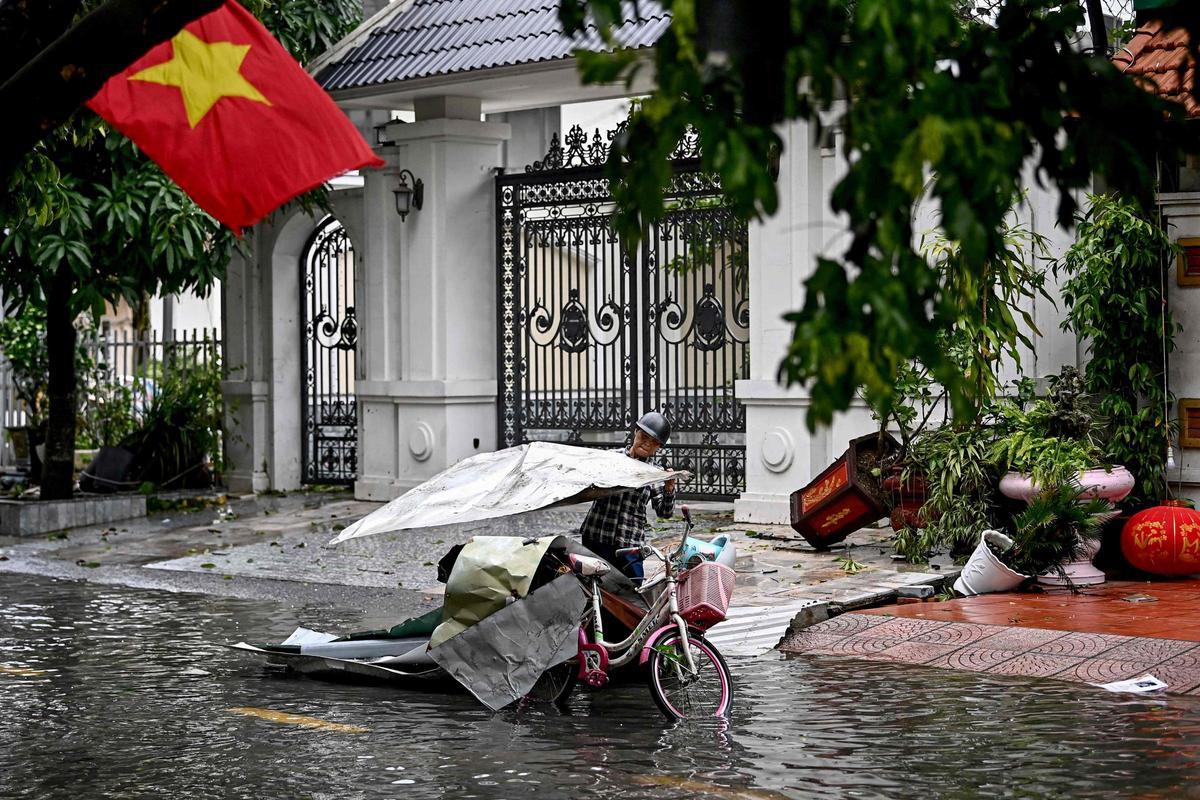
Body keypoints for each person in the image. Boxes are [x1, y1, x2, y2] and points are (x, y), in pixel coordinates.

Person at [579, 411, 676, 580]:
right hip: (597, 536)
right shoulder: (611, 459)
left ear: (658, 447)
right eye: (644, 436)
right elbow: (586, 485)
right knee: (593, 590)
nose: (647, 444)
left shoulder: (656, 473)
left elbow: (664, 513)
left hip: (629, 543)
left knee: (633, 593)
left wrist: (669, 488)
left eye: (654, 442)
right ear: (635, 432)